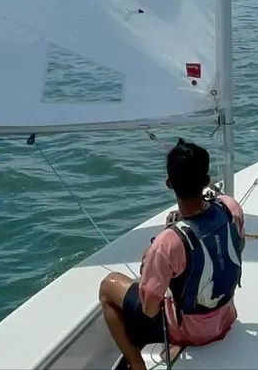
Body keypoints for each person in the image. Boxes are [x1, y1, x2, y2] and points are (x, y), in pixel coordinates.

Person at [99, 138, 245, 370]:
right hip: (226, 316)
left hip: (190, 333)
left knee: (108, 287)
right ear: (206, 181)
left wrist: (149, 259)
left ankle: (137, 364)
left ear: (169, 183)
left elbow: (149, 310)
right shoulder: (230, 208)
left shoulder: (168, 243)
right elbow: (235, 248)